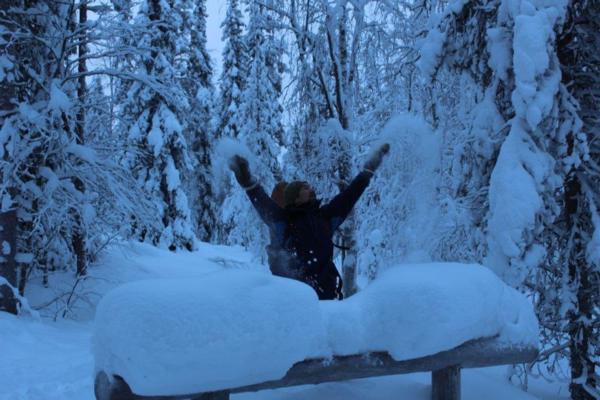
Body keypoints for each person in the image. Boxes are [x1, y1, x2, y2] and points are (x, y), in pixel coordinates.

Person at [229, 144, 390, 300]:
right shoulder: (283, 220)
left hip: (326, 296)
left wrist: (368, 171)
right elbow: (262, 201)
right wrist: (247, 181)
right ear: (295, 197)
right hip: (292, 298)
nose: (310, 188)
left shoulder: (325, 216)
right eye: (305, 188)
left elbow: (349, 196)